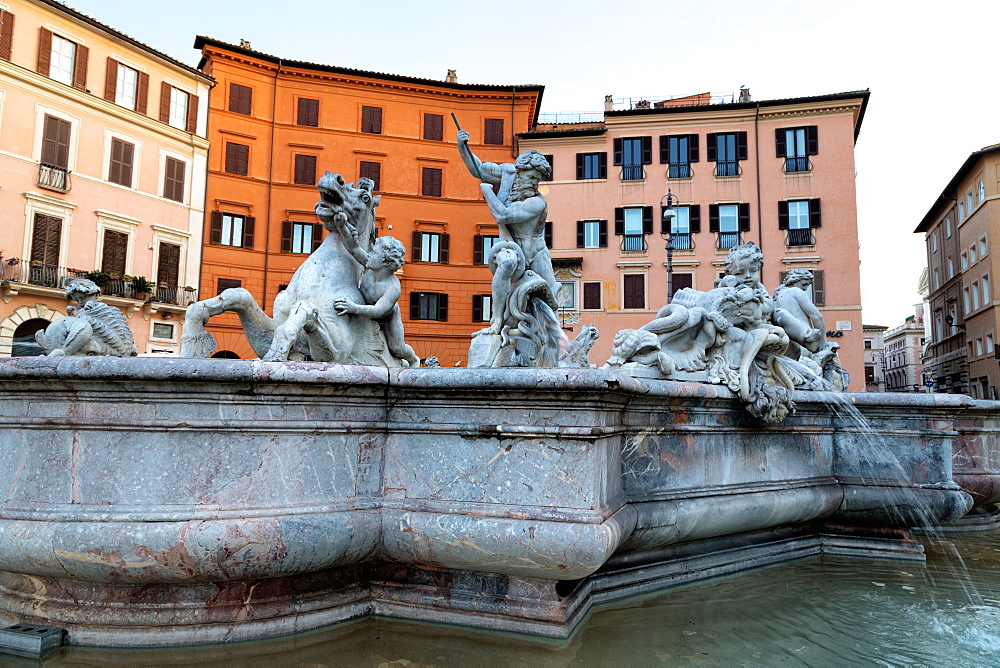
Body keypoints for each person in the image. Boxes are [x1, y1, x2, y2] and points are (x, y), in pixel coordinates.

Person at [457, 129, 557, 334]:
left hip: (536, 253)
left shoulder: (537, 202)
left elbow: (503, 216)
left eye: (538, 179)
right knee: (507, 263)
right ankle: (496, 321)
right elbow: (479, 168)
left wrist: (487, 192)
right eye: (531, 176)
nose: (534, 183)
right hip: (510, 246)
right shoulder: (506, 173)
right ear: (520, 171)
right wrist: (462, 147)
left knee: (551, 299)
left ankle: (542, 343)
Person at [331, 234, 421, 368]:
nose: (369, 254)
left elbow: (378, 311)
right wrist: (343, 228)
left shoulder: (392, 287)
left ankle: (413, 359)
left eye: (374, 252)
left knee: (397, 348)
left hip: (387, 317)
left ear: (385, 261)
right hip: (363, 307)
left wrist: (353, 308)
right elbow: (354, 249)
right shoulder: (370, 265)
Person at [773, 269, 826, 354]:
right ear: (793, 280)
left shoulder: (777, 296)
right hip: (804, 339)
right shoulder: (796, 291)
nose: (805, 289)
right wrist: (823, 342)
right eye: (804, 284)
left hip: (787, 339)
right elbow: (817, 317)